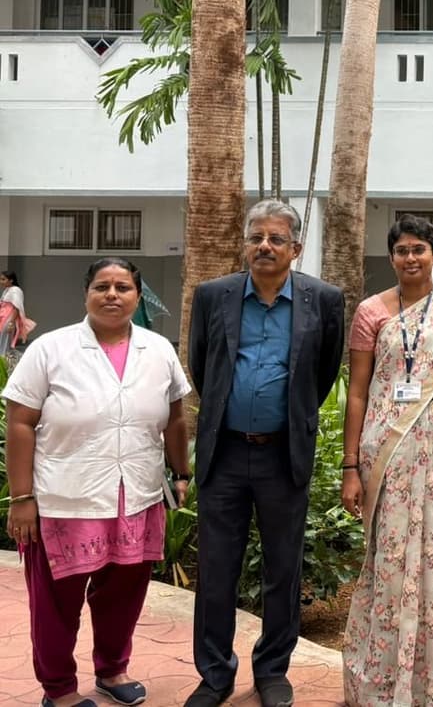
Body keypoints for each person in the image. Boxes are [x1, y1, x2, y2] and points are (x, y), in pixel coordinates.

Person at [3, 257, 191, 707]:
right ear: (86, 293)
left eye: (123, 287)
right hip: (65, 498)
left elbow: (176, 418)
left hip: (137, 496)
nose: (112, 295)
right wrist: (22, 497)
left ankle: (112, 669)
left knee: (123, 595)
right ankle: (59, 689)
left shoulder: (158, 349)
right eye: (101, 286)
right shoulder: (51, 349)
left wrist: (181, 472)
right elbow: (20, 423)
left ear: (137, 296)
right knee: (56, 601)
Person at [185, 200, 345, 707]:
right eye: (256, 237)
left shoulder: (324, 300)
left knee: (283, 569)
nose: (264, 247)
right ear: (245, 243)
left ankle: (273, 671)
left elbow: (322, 374)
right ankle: (215, 676)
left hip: (283, 455)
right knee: (216, 570)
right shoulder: (213, 295)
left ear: (296, 248)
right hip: (225, 454)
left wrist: (289, 419)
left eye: (276, 239)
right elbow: (201, 366)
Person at [340, 214, 433, 706]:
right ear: (391, 257)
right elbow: (357, 392)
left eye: (419, 250)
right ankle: (379, 678)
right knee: (387, 564)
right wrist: (349, 466)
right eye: (402, 250)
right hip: (385, 454)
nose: (410, 258)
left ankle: (425, 677)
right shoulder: (371, 311)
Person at [0, 269, 37, 354]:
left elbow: (17, 307)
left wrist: (11, 322)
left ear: (11, 280)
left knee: (5, 341)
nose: (1, 281)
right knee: (2, 339)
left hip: (8, 318)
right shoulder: (7, 290)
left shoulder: (16, 290)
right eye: (1, 279)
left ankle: (4, 358)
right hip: (3, 316)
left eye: (3, 279)